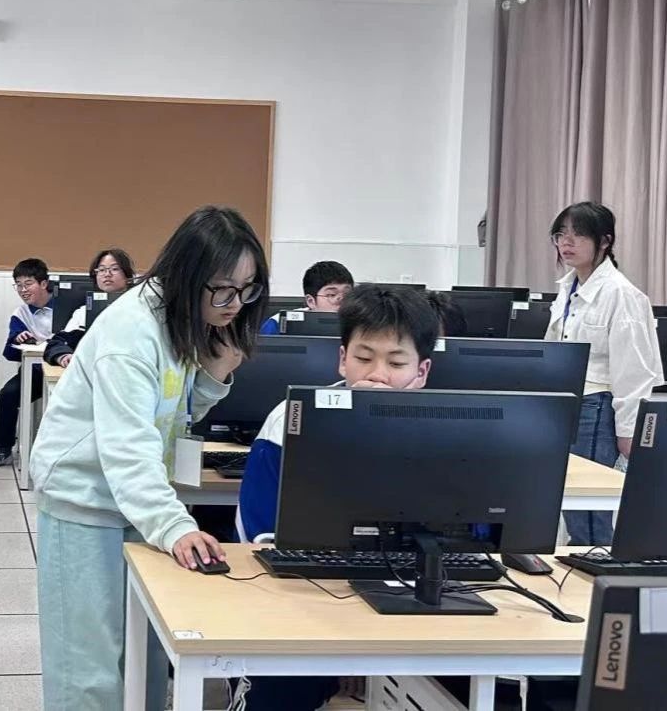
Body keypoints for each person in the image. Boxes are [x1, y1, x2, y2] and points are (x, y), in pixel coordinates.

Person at [29, 206, 268, 710]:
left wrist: (214, 374)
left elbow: (173, 413)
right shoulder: (132, 333)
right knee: (89, 670)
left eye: (248, 290)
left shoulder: (181, 318)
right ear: (188, 276)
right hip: (85, 502)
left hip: (138, 503)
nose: (235, 305)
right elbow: (127, 447)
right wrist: (174, 525)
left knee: (146, 658)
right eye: (224, 290)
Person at [232, 284, 438, 710]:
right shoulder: (290, 421)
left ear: (421, 372)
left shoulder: (447, 434)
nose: (376, 375)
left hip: (410, 592)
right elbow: (260, 534)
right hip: (306, 595)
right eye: (363, 357)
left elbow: (474, 536)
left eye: (396, 362)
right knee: (280, 689)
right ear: (342, 358)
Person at [545, 201, 663, 546]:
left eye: (578, 234)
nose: (566, 242)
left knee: (589, 507)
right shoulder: (569, 287)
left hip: (597, 407)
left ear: (605, 241)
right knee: (570, 501)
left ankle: (597, 564)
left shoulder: (621, 294)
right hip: (568, 405)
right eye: (560, 234)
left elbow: (635, 370)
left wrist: (628, 431)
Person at [0, 258, 56, 470]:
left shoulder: (69, 307)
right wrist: (18, 339)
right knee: (7, 396)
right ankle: (2, 449)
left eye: (28, 284)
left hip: (67, 372)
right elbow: (9, 353)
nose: (23, 290)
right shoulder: (20, 313)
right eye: (18, 285)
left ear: (44, 283)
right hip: (35, 372)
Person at [43, 248, 136, 369]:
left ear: (128, 276)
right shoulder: (83, 313)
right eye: (101, 270)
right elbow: (59, 342)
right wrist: (63, 356)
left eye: (114, 269)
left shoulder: (139, 309)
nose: (107, 274)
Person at [259, 260, 354, 334]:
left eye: (347, 294)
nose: (341, 300)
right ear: (311, 301)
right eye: (332, 295)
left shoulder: (358, 324)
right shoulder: (278, 323)